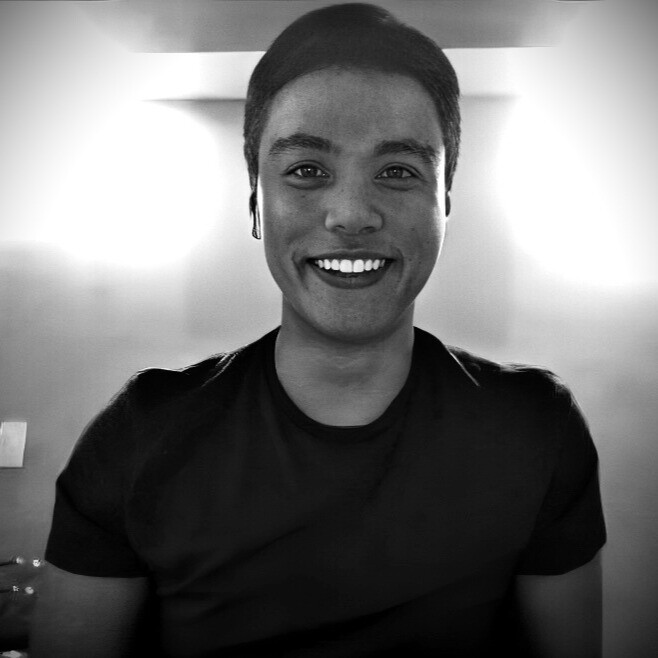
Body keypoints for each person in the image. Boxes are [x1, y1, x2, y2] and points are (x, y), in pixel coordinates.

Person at [29, 4, 606, 657]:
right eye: (307, 170)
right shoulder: (140, 436)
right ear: (256, 202)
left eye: (398, 171)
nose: (352, 215)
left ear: (444, 201)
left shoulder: (535, 428)